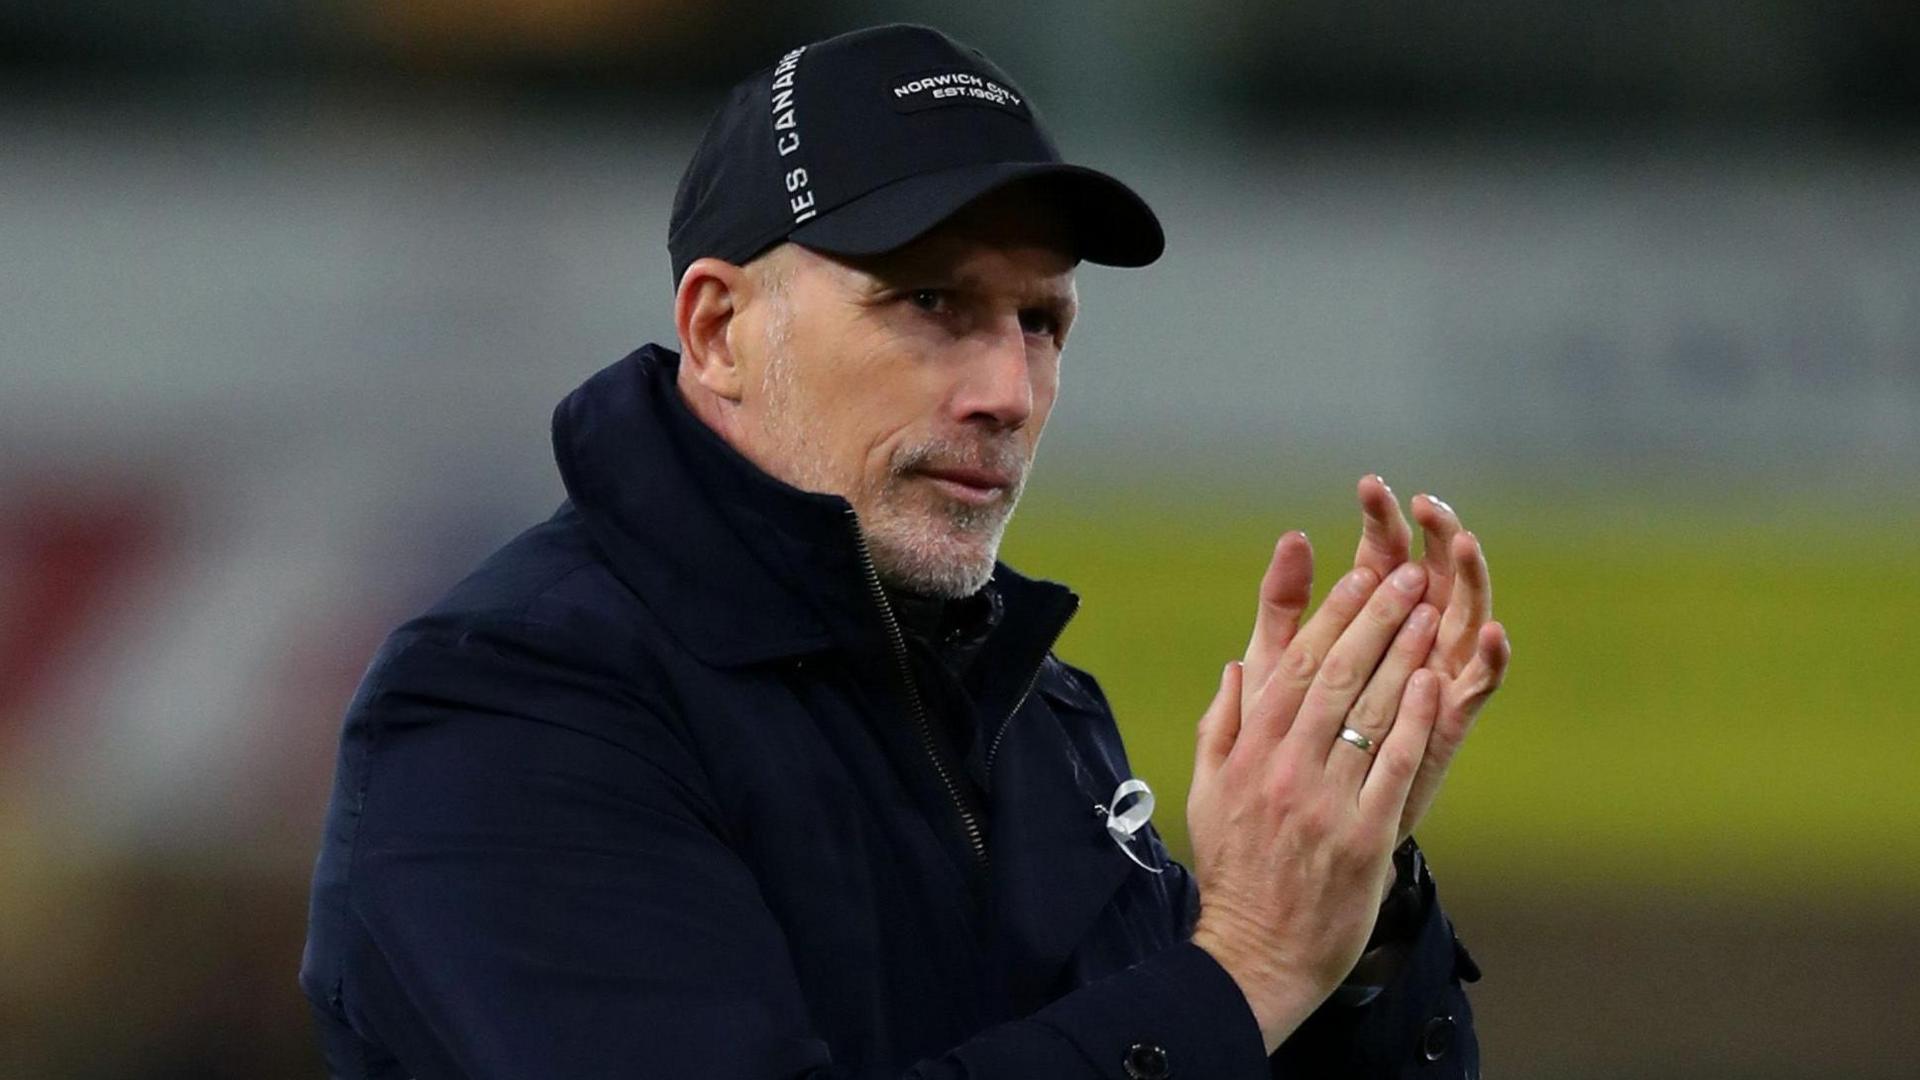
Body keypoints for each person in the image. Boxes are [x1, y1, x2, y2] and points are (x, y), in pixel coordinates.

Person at [300, 23, 1510, 1080]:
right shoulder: (515, 702)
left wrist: (1351, 912)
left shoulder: (1035, 718)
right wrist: (1246, 962)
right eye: (932, 303)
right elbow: (1202, 1014)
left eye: (1041, 322)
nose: (1008, 391)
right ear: (719, 331)